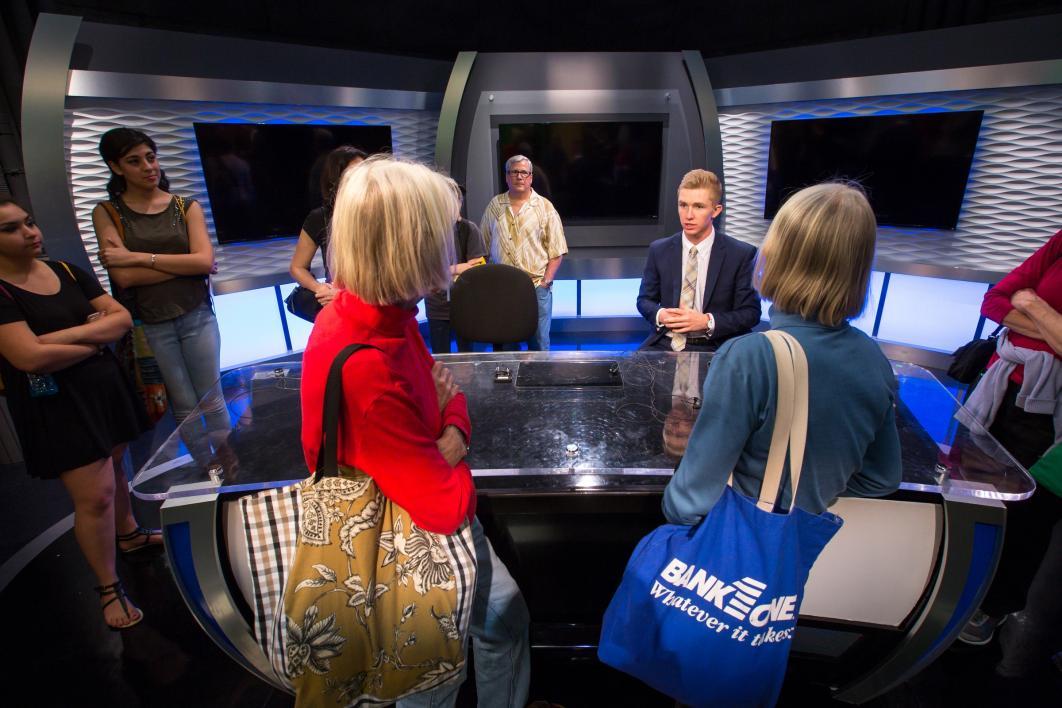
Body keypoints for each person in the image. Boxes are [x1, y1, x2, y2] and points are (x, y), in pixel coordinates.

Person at [301, 155, 530, 707]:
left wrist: (448, 425)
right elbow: (447, 505)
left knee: (502, 621)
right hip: (412, 542)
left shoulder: (379, 316)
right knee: (430, 678)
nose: (450, 246)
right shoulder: (370, 363)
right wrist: (453, 435)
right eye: (440, 232)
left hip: (411, 508)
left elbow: (443, 393)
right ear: (410, 243)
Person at [663, 182, 902, 524]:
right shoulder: (873, 358)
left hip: (739, 546)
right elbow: (882, 478)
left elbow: (687, 503)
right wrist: (806, 496)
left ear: (779, 257)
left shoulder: (748, 358)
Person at [0, 198, 156, 630]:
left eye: (29, 222)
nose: (30, 232)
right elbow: (28, 357)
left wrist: (58, 338)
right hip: (58, 404)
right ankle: (109, 587)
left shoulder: (67, 271)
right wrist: (94, 339)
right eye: (12, 229)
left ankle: (129, 535)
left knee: (118, 471)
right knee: (95, 496)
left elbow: (121, 319)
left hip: (102, 390)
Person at [92, 128, 230, 458]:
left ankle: (231, 463)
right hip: (150, 324)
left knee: (212, 397)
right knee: (183, 404)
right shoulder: (108, 213)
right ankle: (206, 466)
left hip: (196, 313)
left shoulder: (185, 207)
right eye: (134, 161)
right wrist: (185, 264)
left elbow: (204, 260)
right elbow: (123, 276)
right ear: (116, 167)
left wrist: (140, 257)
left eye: (151, 158)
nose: (148, 166)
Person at [956, 229, 1062, 650]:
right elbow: (995, 301)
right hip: (1000, 395)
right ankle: (961, 581)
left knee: (1029, 515)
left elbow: (1017, 299)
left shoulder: (1034, 296)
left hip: (1050, 417)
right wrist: (1051, 329)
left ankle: (995, 605)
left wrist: (1033, 303)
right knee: (974, 490)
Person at [636, 169, 761, 352]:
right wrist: (661, 314)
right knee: (626, 376)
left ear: (716, 210)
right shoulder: (659, 249)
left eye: (699, 206)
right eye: (683, 205)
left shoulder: (741, 254)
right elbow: (645, 300)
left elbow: (750, 313)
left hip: (716, 346)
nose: (688, 215)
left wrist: (706, 321)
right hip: (666, 342)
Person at [480, 154, 567, 350]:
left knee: (539, 345)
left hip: (535, 286)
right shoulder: (495, 205)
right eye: (514, 172)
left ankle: (541, 381)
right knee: (506, 347)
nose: (519, 176)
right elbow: (483, 247)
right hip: (502, 288)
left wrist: (545, 283)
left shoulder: (545, 207)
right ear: (507, 177)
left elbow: (557, 251)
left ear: (531, 177)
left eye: (523, 173)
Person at [288, 145, 367, 312]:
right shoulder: (320, 218)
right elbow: (297, 267)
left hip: (376, 304)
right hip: (339, 306)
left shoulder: (382, 213)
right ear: (336, 180)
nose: (364, 179)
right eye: (354, 174)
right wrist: (319, 288)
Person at [425, 185, 488, 354]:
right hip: (436, 304)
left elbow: (477, 266)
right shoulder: (426, 232)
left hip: (465, 303)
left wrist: (444, 270)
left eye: (456, 200)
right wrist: (458, 268)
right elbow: (426, 271)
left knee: (468, 358)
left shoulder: (469, 229)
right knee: (440, 356)